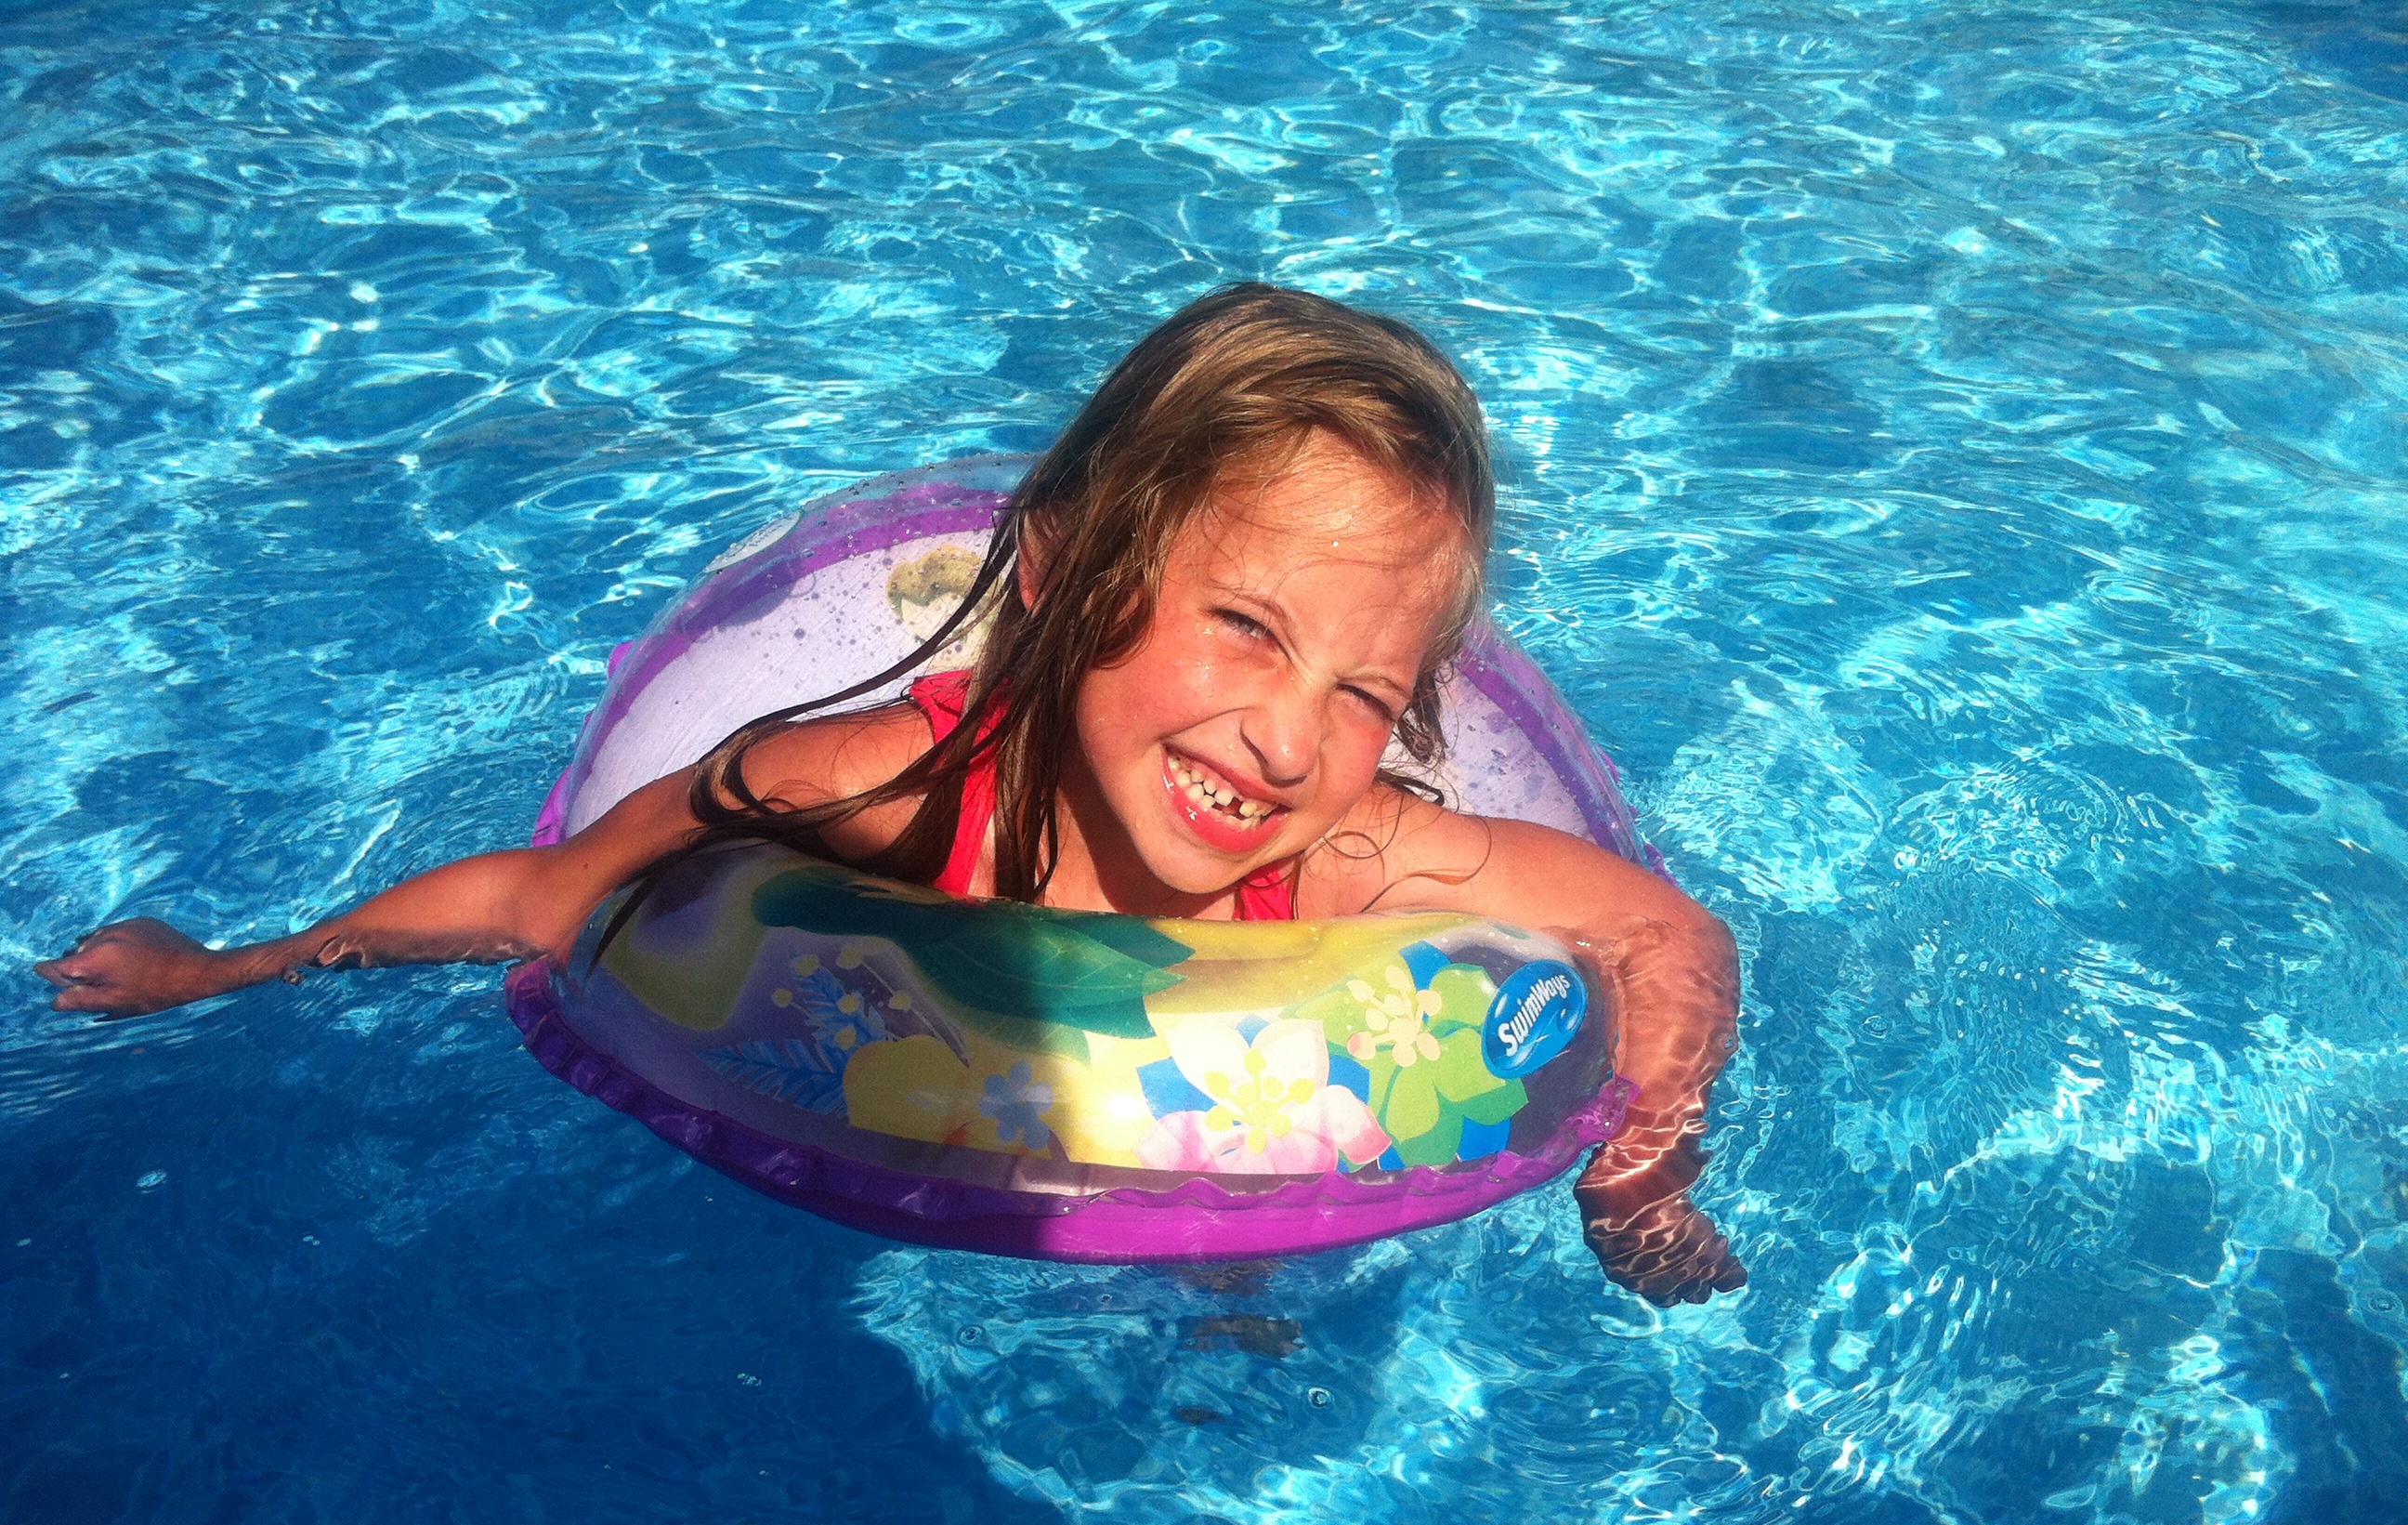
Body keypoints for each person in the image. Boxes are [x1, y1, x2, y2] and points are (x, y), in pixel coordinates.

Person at [35, 284, 1747, 1306]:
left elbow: (1665, 932)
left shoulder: (1356, 851)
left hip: (1229, 1154)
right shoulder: (891, 785)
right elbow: (549, 895)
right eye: (1245, 627)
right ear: (1063, 573)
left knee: (1239, 1293)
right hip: (859, 1106)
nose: (1289, 744)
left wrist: (1643, 1173)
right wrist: (241, 968)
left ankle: (1228, 1300)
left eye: (1364, 693)